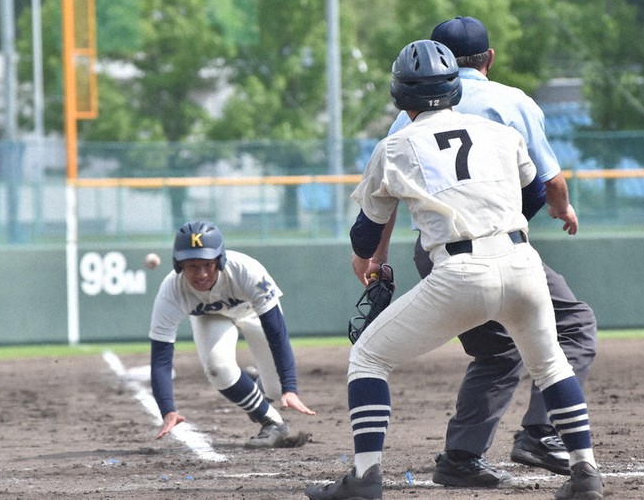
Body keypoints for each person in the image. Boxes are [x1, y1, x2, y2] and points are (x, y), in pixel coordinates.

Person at [304, 40, 603, 500]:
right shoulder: (500, 134)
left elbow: (365, 238)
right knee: (550, 363)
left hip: (460, 271)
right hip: (522, 261)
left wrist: (376, 265)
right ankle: (586, 475)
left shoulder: (396, 144)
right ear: (454, 91)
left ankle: (364, 479)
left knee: (368, 357)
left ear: (400, 97)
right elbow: (540, 191)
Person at [149, 220, 316, 448]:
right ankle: (273, 423)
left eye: (208, 264)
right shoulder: (172, 291)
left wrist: (290, 388)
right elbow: (161, 358)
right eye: (192, 266)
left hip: (252, 312)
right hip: (210, 317)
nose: (201, 274)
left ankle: (256, 386)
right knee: (217, 368)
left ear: (220, 260)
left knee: (276, 390)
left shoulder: (246, 271)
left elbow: (276, 332)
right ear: (179, 266)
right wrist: (167, 409)